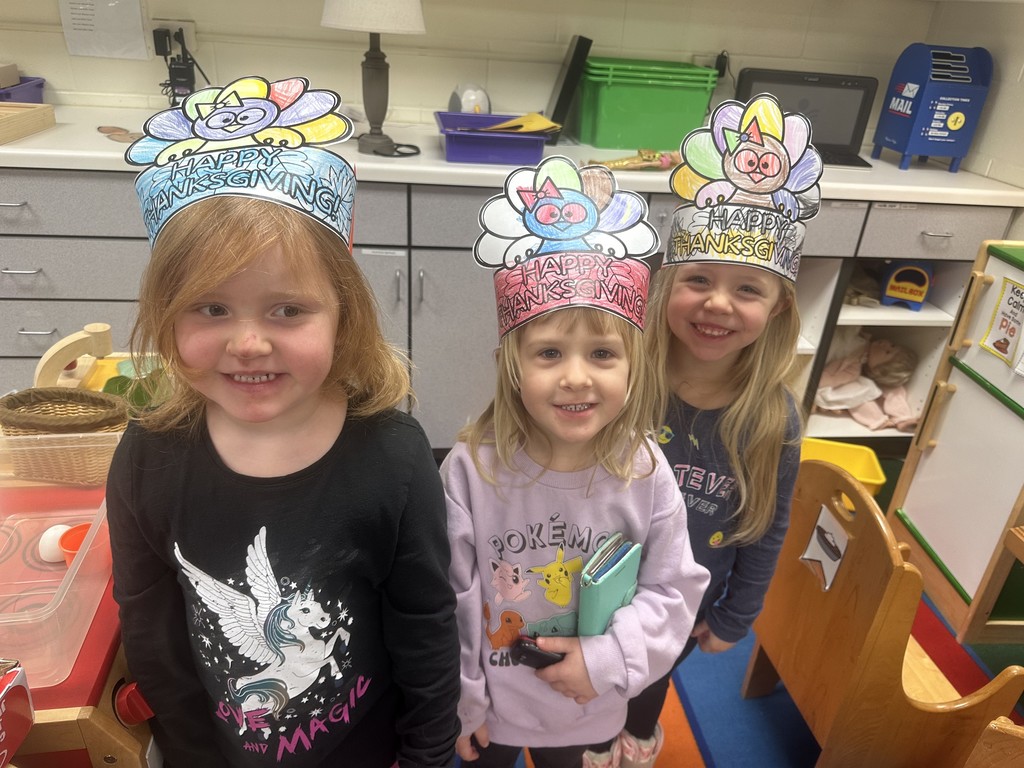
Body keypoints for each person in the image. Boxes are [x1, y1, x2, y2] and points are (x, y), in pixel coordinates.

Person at [106, 76, 460, 767]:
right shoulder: (148, 459)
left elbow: (426, 626)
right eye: (211, 309)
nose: (248, 342)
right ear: (166, 315)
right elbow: (150, 629)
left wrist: (429, 757)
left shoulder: (394, 457)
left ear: (344, 315)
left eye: (287, 310)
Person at [441, 155, 710, 768]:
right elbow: (449, 597)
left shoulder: (645, 471)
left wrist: (607, 662)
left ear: (634, 364)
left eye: (602, 353)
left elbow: (673, 587)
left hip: (588, 699)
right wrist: (463, 699)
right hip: (490, 706)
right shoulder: (470, 470)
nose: (575, 377)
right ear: (512, 362)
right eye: (549, 352)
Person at [617, 93, 821, 767]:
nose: (716, 304)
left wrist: (735, 618)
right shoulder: (625, 375)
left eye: (747, 290)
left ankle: (636, 742)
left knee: (646, 691)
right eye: (697, 280)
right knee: (582, 690)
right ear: (663, 285)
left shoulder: (772, 417)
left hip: (682, 602)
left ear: (777, 307)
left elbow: (765, 527)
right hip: (591, 582)